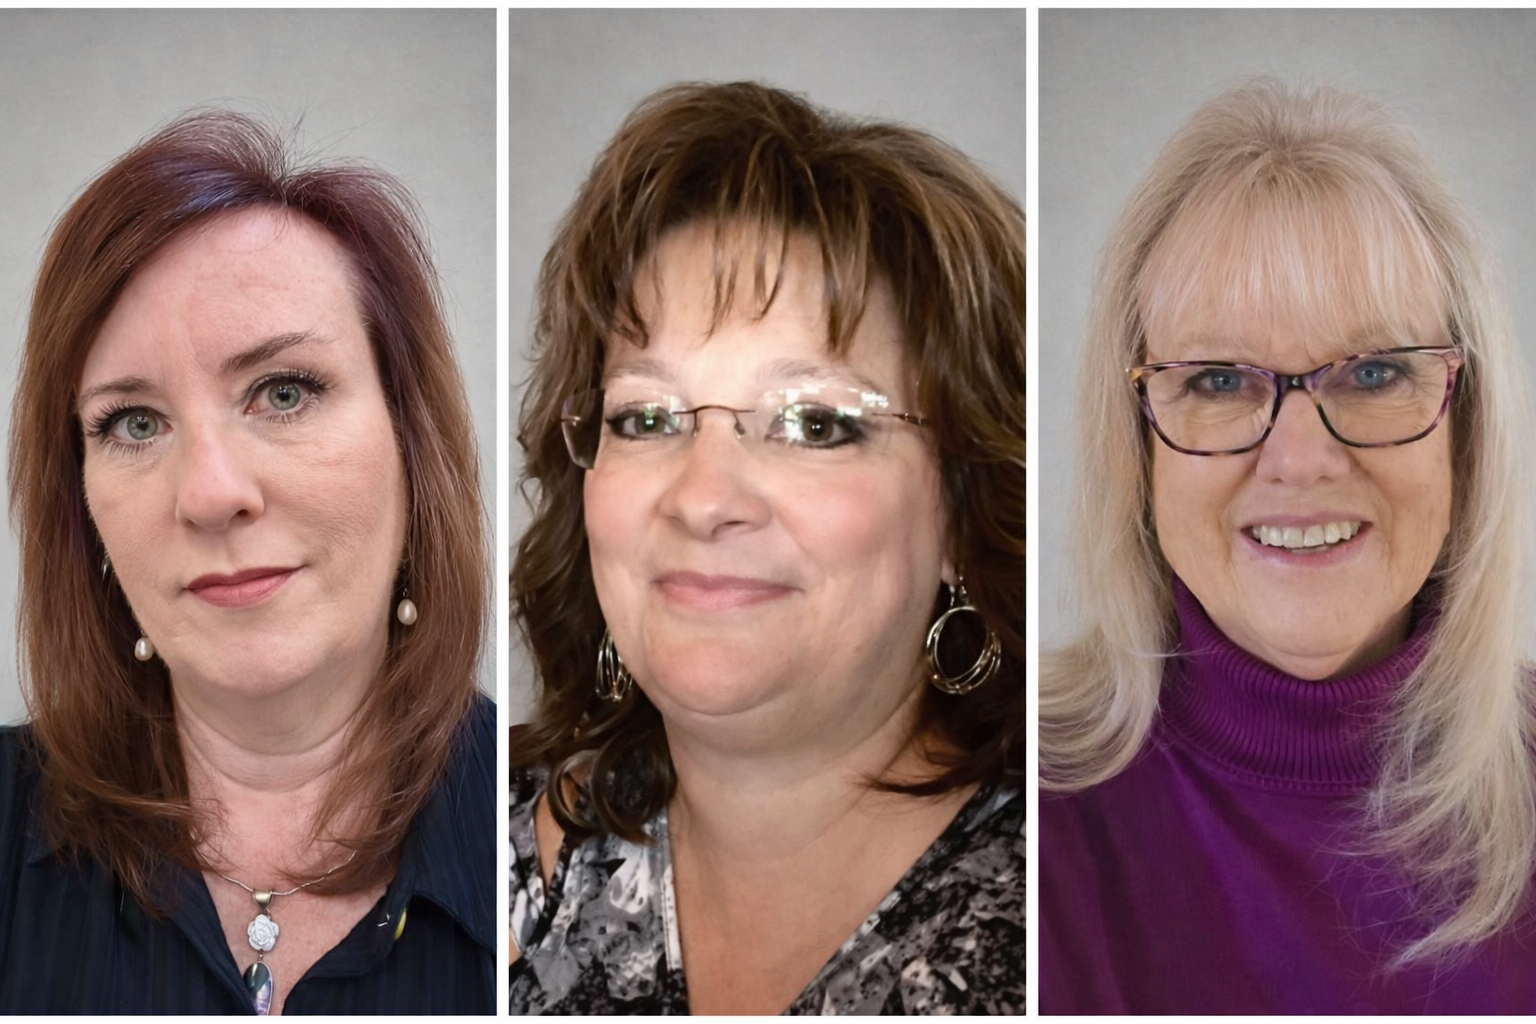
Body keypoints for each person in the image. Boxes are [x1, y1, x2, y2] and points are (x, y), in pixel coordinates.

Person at [509, 81, 1024, 1014]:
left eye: (815, 424)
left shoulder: (1073, 919)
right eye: (649, 415)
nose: (704, 500)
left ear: (961, 506)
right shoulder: (480, 849)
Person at [1039, 79, 1536, 1013]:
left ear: (1467, 427)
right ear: (1134, 437)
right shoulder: (1012, 799)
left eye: (1376, 371)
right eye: (1220, 379)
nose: (1300, 461)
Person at [0, 112, 493, 1013]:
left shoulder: (538, 839)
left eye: (283, 391)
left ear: (409, 443)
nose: (211, 492)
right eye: (134, 423)